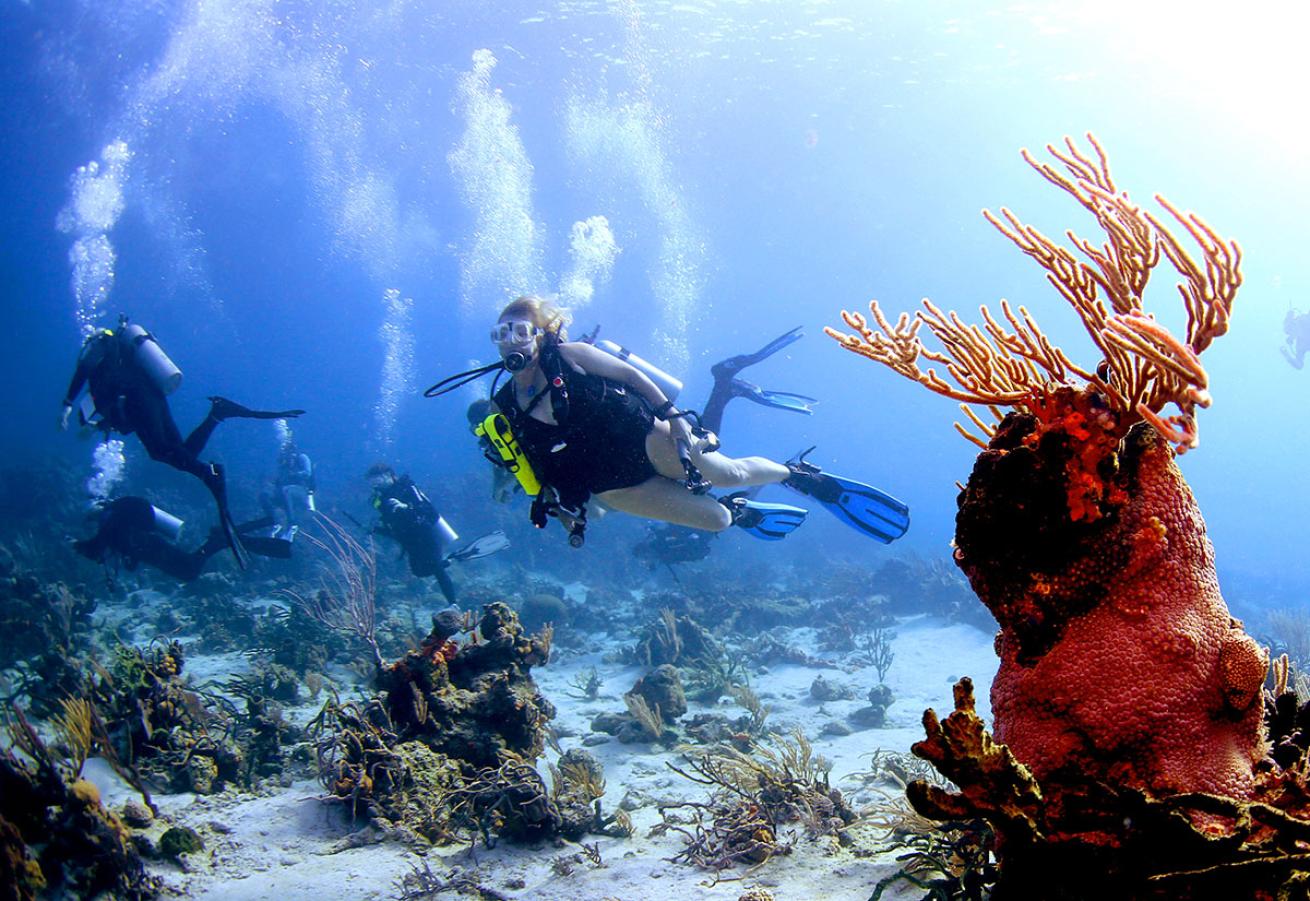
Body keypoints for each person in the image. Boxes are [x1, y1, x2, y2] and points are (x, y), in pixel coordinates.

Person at [482, 295, 909, 544]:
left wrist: (672, 416)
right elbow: (533, 468)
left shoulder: (571, 356)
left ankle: (796, 475)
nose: (510, 343)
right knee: (717, 521)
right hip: (612, 485)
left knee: (727, 472)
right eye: (501, 335)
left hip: (645, 438)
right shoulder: (503, 404)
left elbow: (630, 375)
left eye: (519, 330)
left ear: (540, 333)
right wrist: (564, 510)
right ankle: (739, 511)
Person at [60, 317, 305, 566]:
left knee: (161, 452)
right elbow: (123, 422)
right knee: (179, 451)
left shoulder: (98, 346)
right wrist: (101, 423)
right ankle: (217, 415)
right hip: (151, 397)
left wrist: (67, 403)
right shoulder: (116, 370)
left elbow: (85, 369)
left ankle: (209, 475)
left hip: (138, 398)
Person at [73, 496, 291, 583]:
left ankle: (221, 539)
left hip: (153, 547)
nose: (94, 521)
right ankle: (228, 536)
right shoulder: (114, 521)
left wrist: (73, 544)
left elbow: (94, 549)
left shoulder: (111, 520)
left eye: (92, 516)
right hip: (151, 547)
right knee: (190, 570)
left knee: (190, 570)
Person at [366, 464, 459, 603]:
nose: (376, 484)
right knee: (419, 572)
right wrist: (376, 529)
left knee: (439, 571)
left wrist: (405, 507)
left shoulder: (407, 488)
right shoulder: (381, 499)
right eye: (373, 482)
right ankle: (447, 561)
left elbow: (429, 512)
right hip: (408, 539)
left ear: (389, 475)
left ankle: (453, 604)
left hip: (425, 535)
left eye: (378, 479)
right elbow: (391, 526)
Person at [269, 440, 316, 539]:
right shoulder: (284, 463)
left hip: (302, 490)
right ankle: (276, 522)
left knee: (287, 490)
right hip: (286, 490)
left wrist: (295, 475)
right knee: (268, 495)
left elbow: (308, 473)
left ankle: (292, 523)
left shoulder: (302, 458)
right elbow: (280, 479)